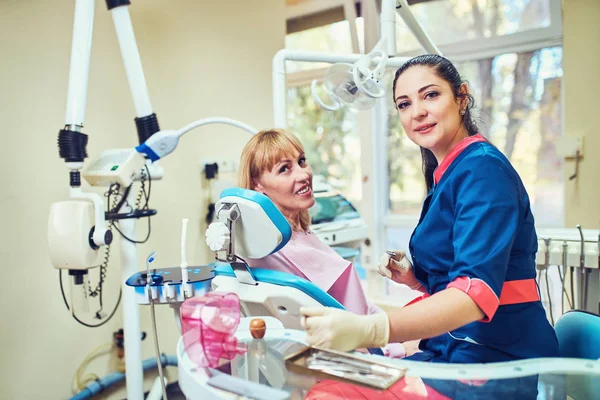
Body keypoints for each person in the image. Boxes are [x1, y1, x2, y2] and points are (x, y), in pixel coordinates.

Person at [300, 54, 559, 364]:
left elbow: (473, 293)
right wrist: (415, 278)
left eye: (431, 95)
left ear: (461, 97)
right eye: (404, 104)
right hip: (457, 348)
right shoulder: (448, 174)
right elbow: (462, 269)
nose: (418, 112)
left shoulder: (483, 171)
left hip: (498, 360)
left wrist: (371, 329)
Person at [238, 128, 409, 358]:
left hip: (367, 336)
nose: (303, 174)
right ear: (257, 185)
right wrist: (399, 347)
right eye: (284, 169)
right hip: (361, 353)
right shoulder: (274, 248)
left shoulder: (297, 230)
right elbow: (350, 324)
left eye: (301, 161)